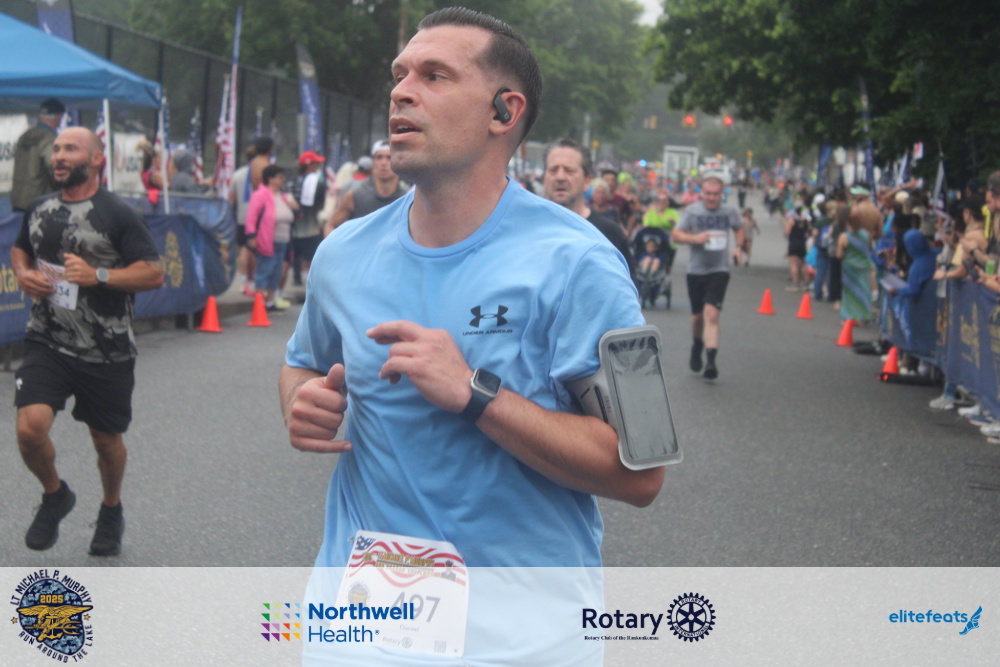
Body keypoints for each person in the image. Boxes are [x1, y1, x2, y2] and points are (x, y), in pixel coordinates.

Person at [280, 8, 663, 664]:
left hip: (519, 643)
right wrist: (300, 399)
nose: (401, 92)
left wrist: (475, 393)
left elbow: (644, 469)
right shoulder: (343, 253)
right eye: (400, 75)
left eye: (434, 76)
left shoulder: (583, 263)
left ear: (503, 112)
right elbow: (302, 363)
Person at [11, 127, 164, 556]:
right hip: (47, 338)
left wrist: (98, 275)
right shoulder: (39, 207)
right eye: (56, 149)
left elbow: (153, 273)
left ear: (96, 159)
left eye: (70, 149)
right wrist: (23, 273)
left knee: (105, 440)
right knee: (29, 429)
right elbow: (21, 248)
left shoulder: (118, 214)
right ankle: (55, 494)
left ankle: (111, 508)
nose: (59, 156)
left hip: (106, 348)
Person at [672, 176, 744, 379]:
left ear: (722, 194)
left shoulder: (729, 212)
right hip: (696, 271)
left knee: (711, 314)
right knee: (697, 317)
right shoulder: (693, 211)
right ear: (701, 193)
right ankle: (697, 345)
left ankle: (711, 361)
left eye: (716, 194)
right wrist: (695, 238)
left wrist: (739, 247)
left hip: (719, 270)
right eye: (708, 194)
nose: (712, 198)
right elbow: (676, 235)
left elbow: (739, 228)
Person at [541, 137, 636, 282]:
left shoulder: (609, 233)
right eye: (553, 170)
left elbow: (626, 288)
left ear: (587, 181)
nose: (560, 177)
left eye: (569, 170)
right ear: (544, 178)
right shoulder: (526, 229)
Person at [323, 139, 406, 235]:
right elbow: (330, 226)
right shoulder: (356, 195)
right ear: (373, 162)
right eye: (379, 157)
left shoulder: (406, 198)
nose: (383, 163)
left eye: (389, 157)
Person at [245, 164, 297, 310]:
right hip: (267, 239)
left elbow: (296, 212)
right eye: (280, 177)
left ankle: (270, 301)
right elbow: (251, 217)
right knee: (265, 269)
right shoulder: (260, 195)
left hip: (283, 240)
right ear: (270, 179)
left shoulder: (284, 196)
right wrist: (251, 235)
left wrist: (293, 205)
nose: (283, 180)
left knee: (276, 271)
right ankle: (259, 302)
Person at [11, 98, 65, 212]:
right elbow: (54, 165)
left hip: (18, 198)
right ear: (58, 117)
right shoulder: (49, 138)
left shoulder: (25, 136)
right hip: (40, 201)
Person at [835, 201, 877, 323]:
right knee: (864, 290)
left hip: (849, 267)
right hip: (864, 266)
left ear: (848, 222)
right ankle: (864, 315)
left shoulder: (844, 236)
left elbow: (839, 254)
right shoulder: (866, 234)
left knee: (849, 292)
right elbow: (869, 248)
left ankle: (849, 316)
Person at [290, 150, 327, 288]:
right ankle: (308, 279)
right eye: (316, 163)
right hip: (311, 225)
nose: (318, 166)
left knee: (296, 254)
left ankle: (297, 277)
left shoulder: (292, 181)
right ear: (309, 165)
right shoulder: (317, 182)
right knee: (310, 254)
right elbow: (320, 205)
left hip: (294, 225)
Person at [228, 146, 257, 296]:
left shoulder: (237, 175)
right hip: (256, 218)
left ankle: (244, 279)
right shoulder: (259, 174)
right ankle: (251, 280)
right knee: (252, 251)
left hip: (241, 217)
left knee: (243, 249)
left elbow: (231, 198)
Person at [784, 205, 812, 290]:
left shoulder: (792, 220)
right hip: (802, 244)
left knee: (794, 264)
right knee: (803, 263)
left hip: (793, 243)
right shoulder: (806, 221)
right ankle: (807, 283)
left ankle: (796, 283)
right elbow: (808, 232)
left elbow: (787, 232)